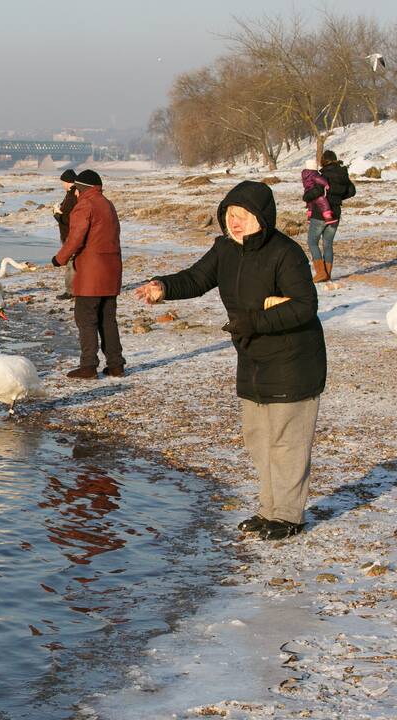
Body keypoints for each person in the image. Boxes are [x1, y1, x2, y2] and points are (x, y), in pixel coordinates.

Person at [134, 180, 326, 541]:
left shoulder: (285, 253)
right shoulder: (225, 250)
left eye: (244, 216)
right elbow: (196, 278)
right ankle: (270, 509)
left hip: (294, 360)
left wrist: (254, 320)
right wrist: (163, 286)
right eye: (230, 215)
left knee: (287, 441)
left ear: (262, 218)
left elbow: (305, 306)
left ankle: (288, 515)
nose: (235, 222)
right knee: (258, 439)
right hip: (253, 358)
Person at [51, 169, 124, 379]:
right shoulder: (107, 204)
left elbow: (76, 238)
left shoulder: (85, 205)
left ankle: (89, 366)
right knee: (108, 319)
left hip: (92, 272)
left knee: (85, 318)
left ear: (81, 187)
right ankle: (116, 365)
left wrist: (60, 258)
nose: (74, 192)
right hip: (112, 269)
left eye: (77, 188)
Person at [303, 149, 355, 282]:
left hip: (320, 213)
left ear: (324, 161)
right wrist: (337, 197)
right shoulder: (343, 174)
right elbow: (351, 191)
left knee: (312, 242)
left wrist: (306, 197)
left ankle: (321, 273)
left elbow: (316, 191)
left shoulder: (323, 175)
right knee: (328, 244)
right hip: (335, 213)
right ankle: (327, 274)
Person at [52, 169, 79, 300]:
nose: (62, 184)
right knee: (75, 262)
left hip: (70, 235)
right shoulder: (74, 193)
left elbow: (68, 218)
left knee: (70, 263)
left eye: (63, 182)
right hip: (71, 234)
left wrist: (56, 213)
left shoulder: (72, 196)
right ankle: (76, 289)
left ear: (68, 182)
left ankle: (71, 291)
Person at [300, 158, 336, 224]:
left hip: (307, 191)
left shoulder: (304, 174)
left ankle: (309, 217)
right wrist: (326, 184)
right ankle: (328, 217)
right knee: (323, 202)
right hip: (315, 191)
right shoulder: (314, 173)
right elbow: (319, 179)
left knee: (310, 206)